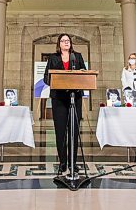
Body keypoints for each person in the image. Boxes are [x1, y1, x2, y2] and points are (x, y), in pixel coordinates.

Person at [44, 33, 86, 175]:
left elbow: (85, 75)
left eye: (68, 40)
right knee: (61, 132)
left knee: (73, 131)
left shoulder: (77, 56)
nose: (66, 42)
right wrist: (58, 81)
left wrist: (81, 73)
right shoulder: (53, 58)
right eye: (63, 40)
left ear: (70, 43)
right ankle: (63, 163)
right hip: (59, 99)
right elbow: (46, 78)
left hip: (75, 98)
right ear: (59, 44)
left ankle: (73, 163)